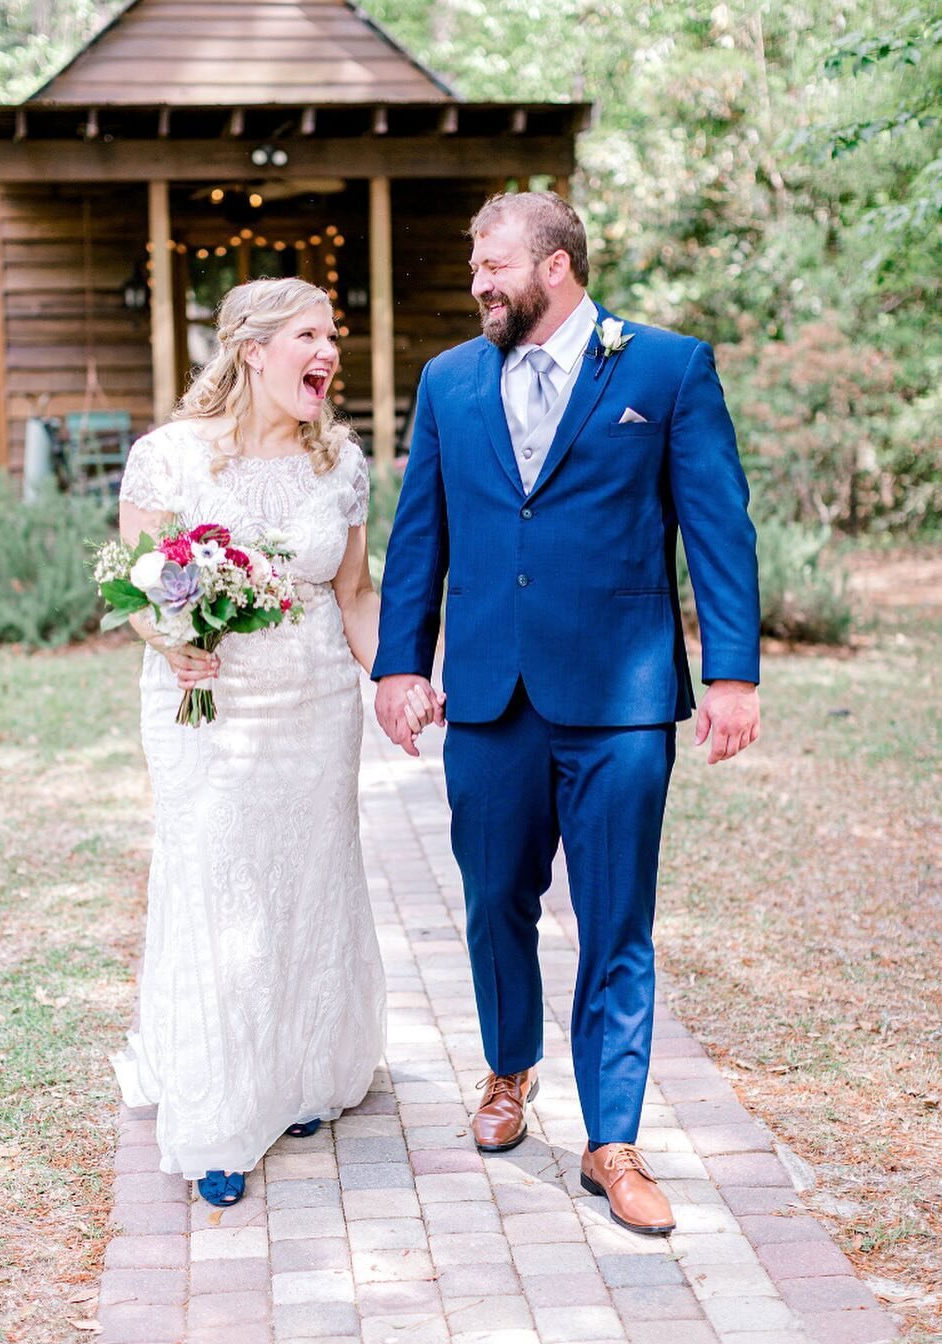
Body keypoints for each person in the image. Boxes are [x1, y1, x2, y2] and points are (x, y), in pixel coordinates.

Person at [373, 192, 761, 1236]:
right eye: (472, 265)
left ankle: (612, 1142)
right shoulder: (449, 380)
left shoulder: (667, 368)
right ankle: (508, 1069)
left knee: (615, 922)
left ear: (555, 267)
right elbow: (421, 534)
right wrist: (398, 665)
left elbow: (717, 525)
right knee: (493, 898)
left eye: (491, 263)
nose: (476, 282)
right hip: (490, 693)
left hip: (621, 700)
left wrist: (731, 673)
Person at [113, 277, 438, 1206]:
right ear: (253, 349)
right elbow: (136, 589)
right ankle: (220, 1116)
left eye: (332, 336)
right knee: (219, 883)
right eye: (309, 335)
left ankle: (299, 1076)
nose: (329, 352)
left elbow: (352, 596)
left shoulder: (339, 466)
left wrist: (397, 676)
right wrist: (174, 639)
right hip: (205, 709)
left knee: (304, 876)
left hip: (313, 705)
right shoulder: (169, 458)